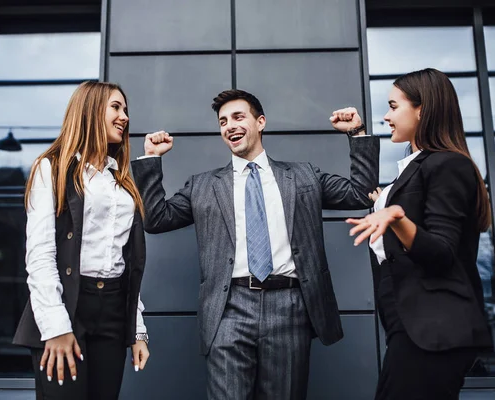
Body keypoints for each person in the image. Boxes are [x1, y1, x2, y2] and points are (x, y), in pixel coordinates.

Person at [132, 89, 379, 399]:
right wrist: (151, 160)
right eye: (223, 122)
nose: (229, 126)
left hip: (290, 307)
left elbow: (361, 193)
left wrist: (357, 134)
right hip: (228, 309)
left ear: (260, 122)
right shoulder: (204, 185)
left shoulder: (303, 176)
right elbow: (156, 219)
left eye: (238, 117)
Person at [346, 68, 492, 400]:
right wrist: (356, 133)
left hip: (433, 329)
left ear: (422, 109)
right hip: (413, 327)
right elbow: (374, 195)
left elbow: (441, 252)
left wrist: (396, 216)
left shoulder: (447, 165)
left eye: (394, 106)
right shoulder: (417, 167)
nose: (386, 115)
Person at [13, 81, 150, 400]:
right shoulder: (52, 168)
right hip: (66, 307)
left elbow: (127, 263)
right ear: (89, 111)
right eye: (116, 107)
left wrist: (137, 329)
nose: (125, 117)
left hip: (113, 311)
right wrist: (57, 327)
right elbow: (40, 256)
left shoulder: (122, 182)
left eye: (126, 110)